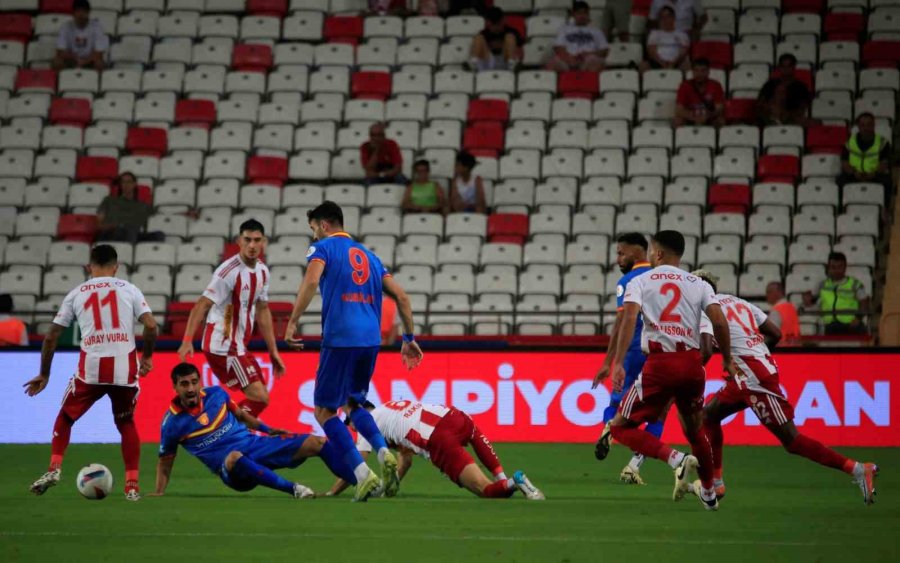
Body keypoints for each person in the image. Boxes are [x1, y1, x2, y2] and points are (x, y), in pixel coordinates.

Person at [693, 270, 878, 506]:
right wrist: (755, 353)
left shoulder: (706, 310)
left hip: (753, 377)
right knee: (708, 415)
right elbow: (775, 333)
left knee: (792, 441)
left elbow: (706, 348)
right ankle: (717, 483)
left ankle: (858, 469)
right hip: (747, 372)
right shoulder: (738, 301)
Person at [283, 201, 424, 502]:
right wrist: (409, 337)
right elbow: (401, 296)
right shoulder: (372, 258)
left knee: (323, 411)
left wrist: (293, 321)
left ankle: (363, 474)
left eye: (314, 229)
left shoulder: (322, 250)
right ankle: (384, 450)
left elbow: (310, 280)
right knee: (353, 403)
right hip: (370, 340)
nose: (314, 236)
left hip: (340, 337)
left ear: (323, 225)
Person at [596, 230, 736, 511]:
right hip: (692, 364)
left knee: (619, 428)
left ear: (657, 253)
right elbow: (720, 322)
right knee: (696, 431)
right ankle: (709, 493)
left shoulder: (641, 280)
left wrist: (619, 362)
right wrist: (728, 360)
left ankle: (676, 460)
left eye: (651, 251)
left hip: (659, 365)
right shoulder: (699, 284)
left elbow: (629, 319)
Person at [25, 245, 157, 501]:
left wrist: (44, 373)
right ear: (116, 267)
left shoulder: (77, 293)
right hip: (124, 371)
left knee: (65, 417)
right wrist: (148, 356)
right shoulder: (129, 289)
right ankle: (131, 486)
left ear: (89, 267)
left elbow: (52, 335)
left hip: (91, 371)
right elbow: (151, 325)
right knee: (126, 422)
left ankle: (54, 468)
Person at [151, 363, 358, 499]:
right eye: (184, 384)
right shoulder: (171, 424)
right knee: (234, 457)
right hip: (231, 469)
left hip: (255, 445)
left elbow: (241, 416)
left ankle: (364, 484)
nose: (190, 389)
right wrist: (159, 492)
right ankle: (294, 489)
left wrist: (268, 430)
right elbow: (165, 463)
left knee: (317, 442)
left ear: (200, 382)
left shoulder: (216, 394)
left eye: (194, 382)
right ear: (175, 387)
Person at [328, 400, 545, 500]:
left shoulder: (370, 422)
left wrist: (333, 492)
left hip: (439, 440)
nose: (351, 426)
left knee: (486, 491)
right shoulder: (391, 408)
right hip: (455, 416)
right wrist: (389, 489)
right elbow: (405, 460)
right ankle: (505, 480)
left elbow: (357, 462)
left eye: (349, 422)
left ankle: (514, 481)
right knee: (474, 437)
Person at [177, 219, 286, 417]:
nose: (252, 245)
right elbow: (202, 304)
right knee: (259, 397)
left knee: (258, 399)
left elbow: (263, 310)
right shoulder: (228, 272)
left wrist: (273, 351)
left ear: (264, 242)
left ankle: (233, 436)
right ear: (239, 241)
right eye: (247, 240)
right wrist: (186, 341)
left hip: (238, 346)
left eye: (256, 240)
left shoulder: (262, 271)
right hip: (223, 345)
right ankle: (219, 430)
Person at [593, 233, 662, 485]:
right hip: (660, 354)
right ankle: (634, 466)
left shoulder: (628, 280)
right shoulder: (662, 278)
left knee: (617, 402)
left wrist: (611, 362)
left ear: (637, 253)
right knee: (658, 414)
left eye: (621, 253)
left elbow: (622, 322)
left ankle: (608, 428)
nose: (618, 258)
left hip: (633, 351)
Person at [802, 252, 869, 335]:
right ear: (828, 268)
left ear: (845, 267)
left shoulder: (855, 284)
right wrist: (807, 299)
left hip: (851, 326)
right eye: (833, 267)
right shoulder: (822, 285)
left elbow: (864, 303)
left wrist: (858, 319)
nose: (837, 270)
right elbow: (812, 301)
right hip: (830, 326)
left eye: (840, 267)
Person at [96, 172, 164, 244]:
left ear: (134, 184)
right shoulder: (109, 200)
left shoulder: (142, 205)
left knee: (159, 235)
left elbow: (161, 212)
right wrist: (113, 226)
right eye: (123, 182)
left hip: (134, 235)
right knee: (127, 231)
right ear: (120, 185)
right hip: (112, 234)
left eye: (129, 182)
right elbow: (99, 225)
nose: (126, 185)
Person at [838, 112, 893, 197]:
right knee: (840, 180)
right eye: (863, 125)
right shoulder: (849, 143)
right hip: (855, 175)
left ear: (874, 125)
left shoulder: (883, 143)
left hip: (874, 175)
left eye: (869, 125)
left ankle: (884, 208)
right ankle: (843, 207)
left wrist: (873, 173)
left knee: (887, 181)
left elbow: (884, 163)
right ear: (858, 127)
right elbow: (844, 163)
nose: (866, 128)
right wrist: (854, 173)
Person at [546, 2, 609, 72]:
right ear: (573, 14)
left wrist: (589, 54)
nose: (582, 16)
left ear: (588, 14)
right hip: (568, 62)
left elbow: (604, 51)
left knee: (593, 60)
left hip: (588, 61)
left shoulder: (596, 31)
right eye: (579, 13)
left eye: (585, 13)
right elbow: (559, 48)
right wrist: (569, 58)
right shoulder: (564, 29)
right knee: (553, 62)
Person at [756, 53, 814, 126]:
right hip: (769, 118)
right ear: (779, 67)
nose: (786, 69)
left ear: (794, 67)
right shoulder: (769, 84)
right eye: (783, 66)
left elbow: (801, 109)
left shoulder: (801, 87)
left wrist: (783, 113)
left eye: (789, 66)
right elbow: (760, 104)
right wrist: (771, 109)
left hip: (791, 119)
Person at [52, 0, 108, 71]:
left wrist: (84, 61)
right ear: (73, 13)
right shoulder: (65, 27)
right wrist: (75, 58)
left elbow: (99, 54)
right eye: (78, 11)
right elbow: (60, 52)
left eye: (83, 11)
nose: (81, 14)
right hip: (72, 60)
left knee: (100, 63)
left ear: (88, 13)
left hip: (90, 61)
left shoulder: (97, 27)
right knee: (57, 62)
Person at [674, 58, 725, 127]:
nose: (699, 74)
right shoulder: (685, 86)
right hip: (691, 115)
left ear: (708, 72)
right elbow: (679, 110)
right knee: (677, 121)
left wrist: (708, 116)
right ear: (692, 72)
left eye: (703, 70)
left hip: (708, 116)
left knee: (720, 121)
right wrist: (694, 118)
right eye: (696, 70)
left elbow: (719, 108)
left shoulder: (716, 85)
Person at [469, 7, 523, 71]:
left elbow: (520, 51)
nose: (496, 27)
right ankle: (474, 66)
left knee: (510, 37)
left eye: (498, 24)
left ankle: (511, 66)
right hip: (488, 61)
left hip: (506, 61)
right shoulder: (483, 34)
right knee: (478, 38)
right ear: (488, 23)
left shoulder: (512, 32)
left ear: (503, 20)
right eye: (493, 25)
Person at [639, 6, 690, 73]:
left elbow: (683, 52)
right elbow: (651, 52)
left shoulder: (682, 34)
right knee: (643, 65)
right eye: (662, 17)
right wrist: (662, 63)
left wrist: (673, 63)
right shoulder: (654, 34)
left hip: (676, 62)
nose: (665, 19)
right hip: (658, 62)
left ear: (673, 18)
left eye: (667, 16)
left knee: (687, 65)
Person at [765, 281, 801, 346]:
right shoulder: (792, 307)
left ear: (778, 293)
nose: (767, 295)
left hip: (781, 350)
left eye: (769, 292)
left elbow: (771, 335)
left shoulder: (776, 311)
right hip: (795, 349)